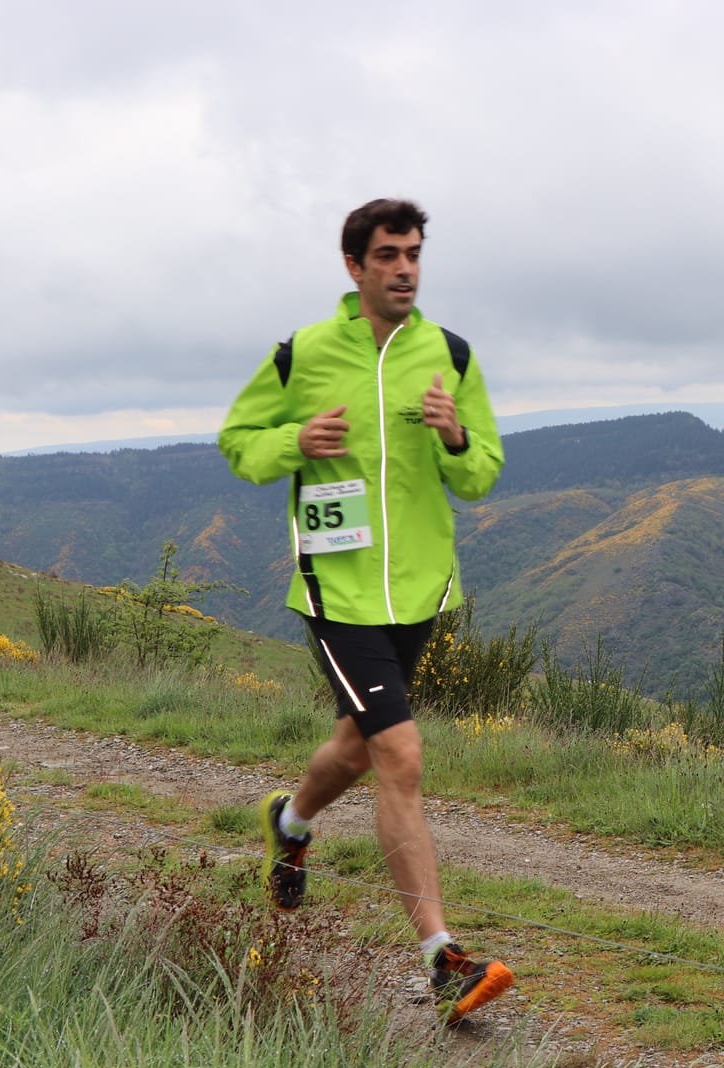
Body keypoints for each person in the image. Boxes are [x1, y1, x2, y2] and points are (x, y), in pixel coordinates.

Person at [218, 198, 513, 1025]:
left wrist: (457, 438)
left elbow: (483, 474)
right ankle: (443, 958)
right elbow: (239, 442)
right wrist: (293, 444)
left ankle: (291, 817)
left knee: (357, 742)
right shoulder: (302, 354)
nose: (405, 269)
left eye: (414, 254)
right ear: (354, 266)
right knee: (402, 755)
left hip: (420, 588)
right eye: (388, 255)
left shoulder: (449, 354)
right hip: (336, 590)